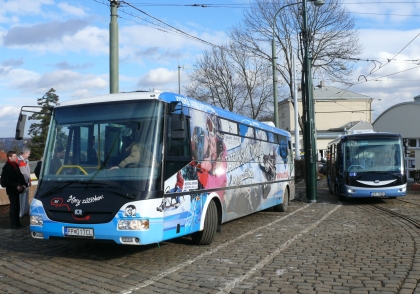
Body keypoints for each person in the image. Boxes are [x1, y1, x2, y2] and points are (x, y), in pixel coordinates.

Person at [0, 151, 28, 229]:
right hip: (12, 190)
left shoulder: (15, 165)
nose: (16, 158)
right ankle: (13, 224)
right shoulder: (6, 167)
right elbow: (4, 181)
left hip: (17, 189)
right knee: (13, 207)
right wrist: (15, 186)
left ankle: (18, 223)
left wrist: (24, 184)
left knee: (17, 207)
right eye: (14, 156)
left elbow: (20, 176)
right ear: (9, 157)